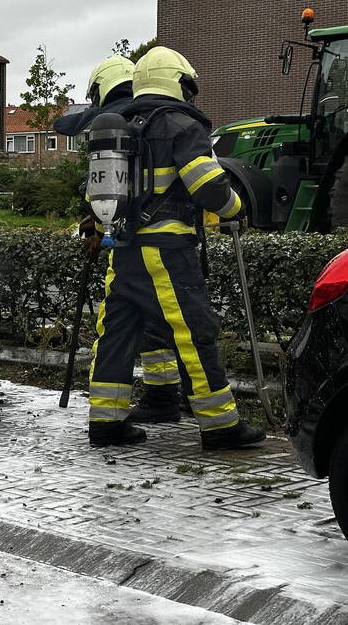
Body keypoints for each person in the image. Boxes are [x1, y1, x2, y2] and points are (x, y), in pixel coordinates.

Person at [87, 46, 265, 450]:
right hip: (167, 251)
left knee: (116, 333)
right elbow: (208, 186)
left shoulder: (120, 126)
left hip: (125, 251)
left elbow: (98, 200)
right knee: (193, 331)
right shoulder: (181, 126)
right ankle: (220, 425)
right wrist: (236, 208)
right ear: (180, 82)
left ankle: (106, 421)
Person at [55, 56, 184, 424]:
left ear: (101, 88)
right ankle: (166, 396)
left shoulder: (113, 124)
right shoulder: (157, 116)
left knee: (128, 323)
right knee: (167, 321)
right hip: (176, 237)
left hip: (134, 242)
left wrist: (96, 227)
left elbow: (105, 187)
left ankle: (156, 401)